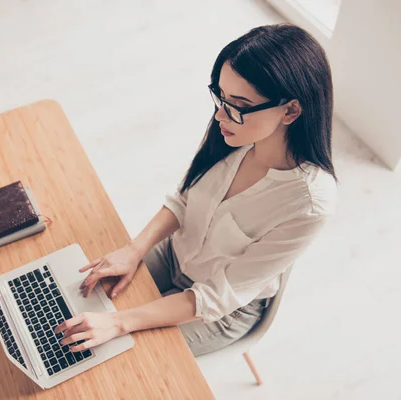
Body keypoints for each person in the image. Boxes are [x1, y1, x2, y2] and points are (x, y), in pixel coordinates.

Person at [55, 23, 338, 357]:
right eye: (219, 96)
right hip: (175, 255)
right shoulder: (232, 131)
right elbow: (184, 200)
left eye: (239, 103)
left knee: (117, 357)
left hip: (220, 310)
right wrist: (133, 250)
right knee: (70, 301)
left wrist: (119, 322)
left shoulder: (308, 204)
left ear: (290, 110)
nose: (220, 114)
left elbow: (218, 296)